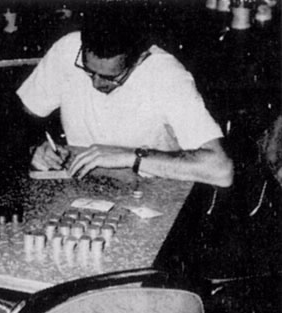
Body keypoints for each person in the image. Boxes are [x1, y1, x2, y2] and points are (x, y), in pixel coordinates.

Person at [17, 6, 233, 187]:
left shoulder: (167, 76)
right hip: (81, 188)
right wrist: (36, 148)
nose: (96, 83)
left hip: (153, 190)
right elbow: (21, 119)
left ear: (139, 59)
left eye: (111, 77)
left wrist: (131, 156)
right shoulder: (67, 49)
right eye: (89, 71)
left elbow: (221, 170)